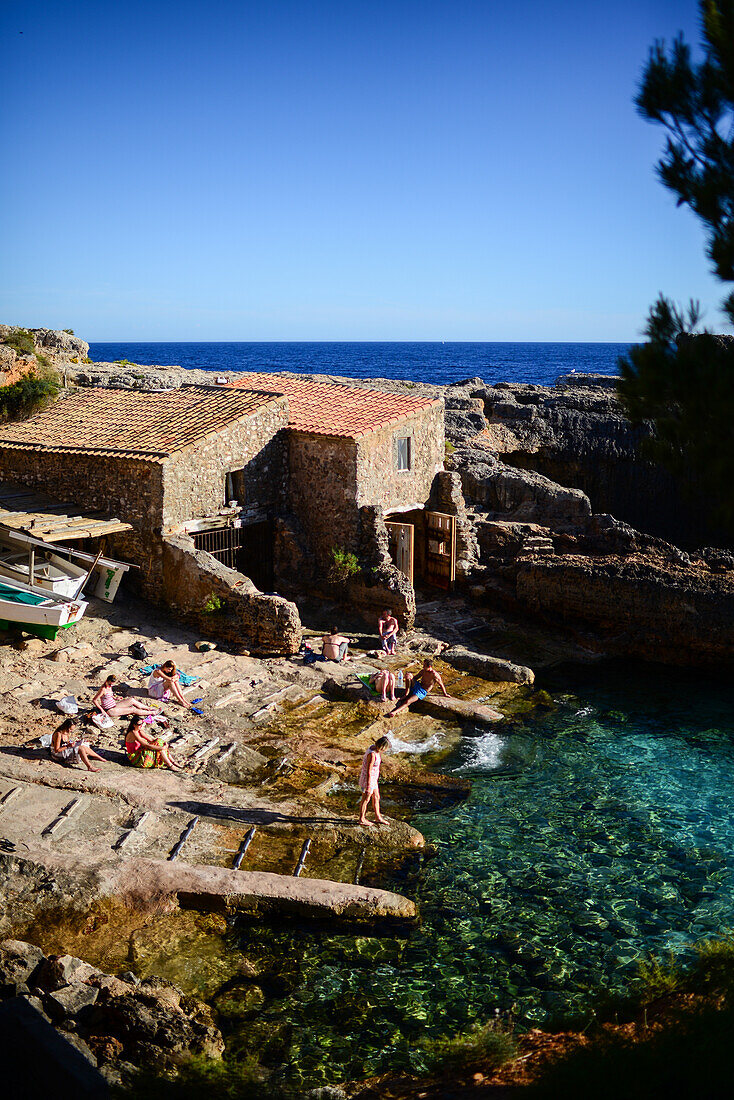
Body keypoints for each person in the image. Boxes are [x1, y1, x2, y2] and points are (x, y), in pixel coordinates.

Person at [358, 735, 390, 826]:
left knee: (376, 797)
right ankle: (361, 819)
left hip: (374, 779)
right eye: (386, 748)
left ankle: (378, 817)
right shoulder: (372, 755)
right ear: (382, 747)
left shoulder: (375, 749)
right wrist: (368, 786)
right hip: (368, 779)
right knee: (366, 799)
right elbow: (368, 770)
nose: (386, 750)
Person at [93, 675, 158, 719]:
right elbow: (94, 700)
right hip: (110, 710)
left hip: (114, 705)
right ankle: (152, 713)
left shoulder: (110, 687)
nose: (111, 685)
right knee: (132, 709)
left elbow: (108, 696)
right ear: (107, 681)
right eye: (110, 684)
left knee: (131, 700)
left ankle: (149, 708)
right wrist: (102, 710)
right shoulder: (103, 689)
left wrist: (115, 698)